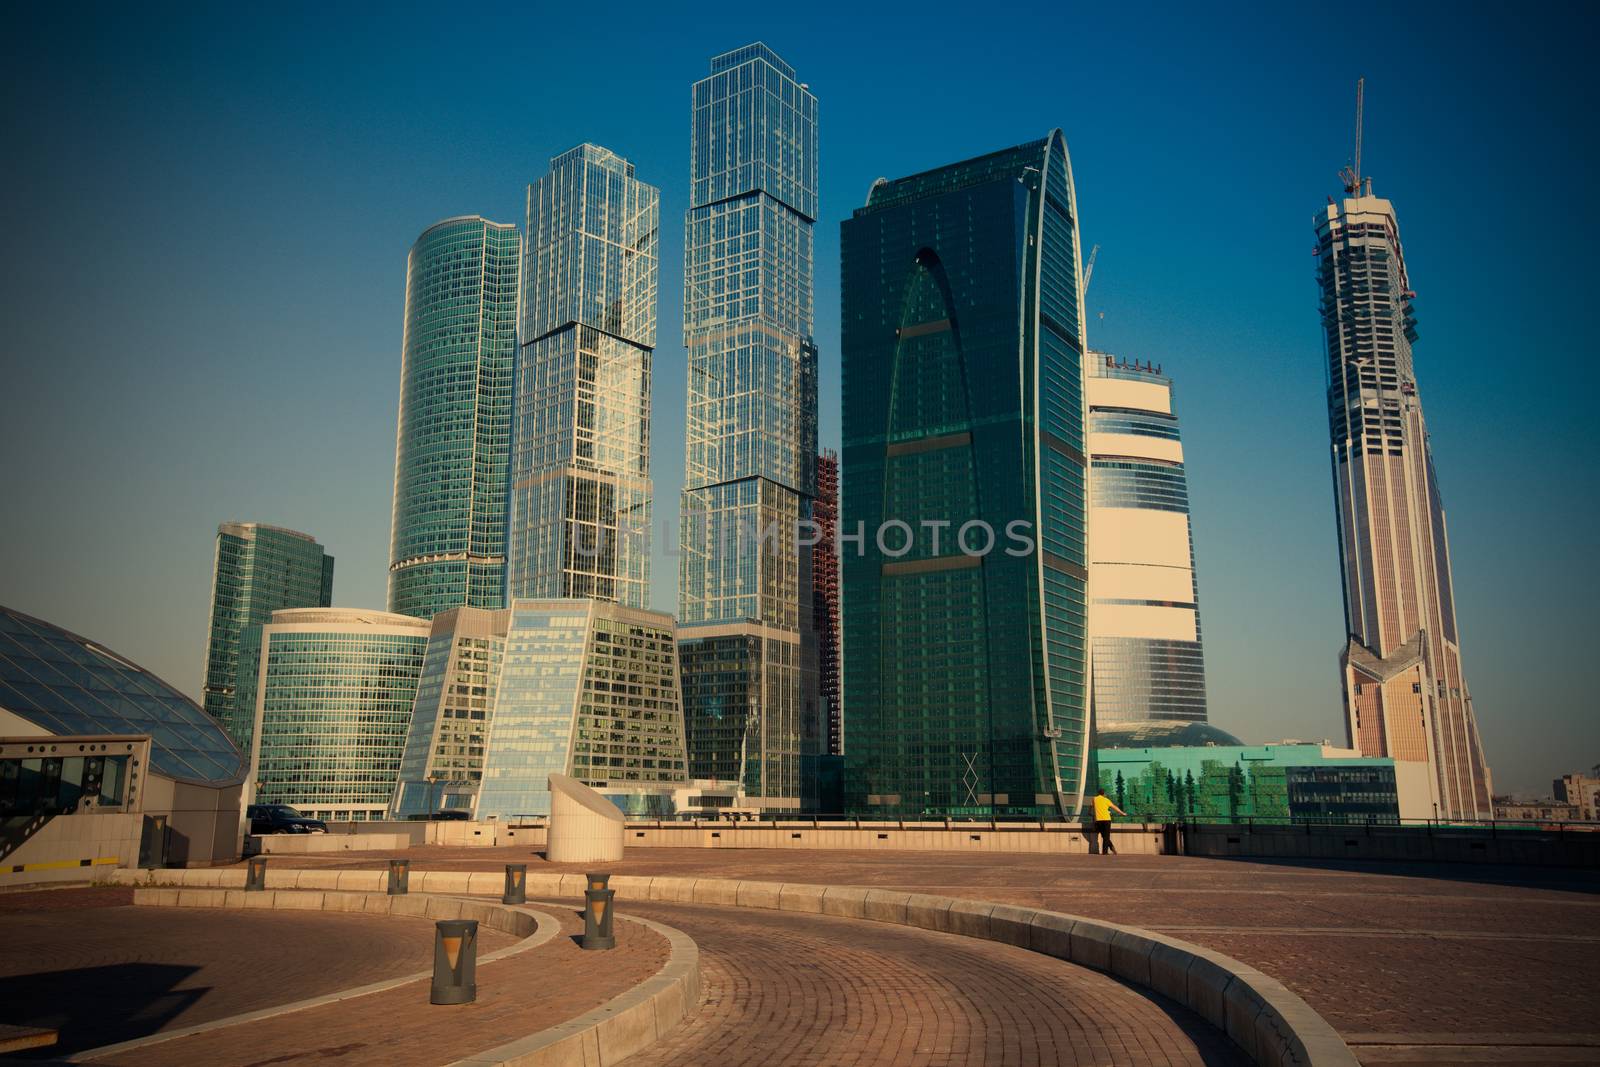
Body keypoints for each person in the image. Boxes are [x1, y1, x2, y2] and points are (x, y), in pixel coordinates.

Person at [1091, 789, 1126, 855]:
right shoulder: (1106, 800)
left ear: (1098, 793)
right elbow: (1114, 807)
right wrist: (1122, 813)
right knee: (1106, 836)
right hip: (1107, 820)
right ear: (1104, 794)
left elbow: (1091, 806)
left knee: (1104, 836)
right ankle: (1105, 852)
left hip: (1098, 820)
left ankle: (1111, 847)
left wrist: (1089, 812)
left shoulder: (1094, 799)